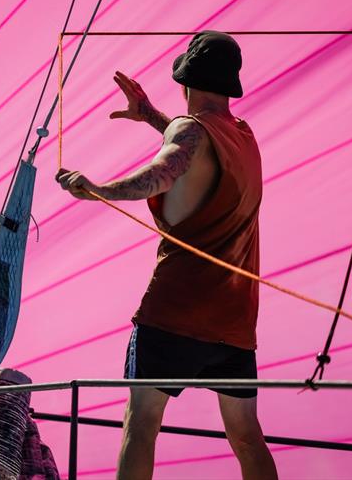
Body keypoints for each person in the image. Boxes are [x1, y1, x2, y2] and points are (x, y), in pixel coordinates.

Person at [55, 31, 277, 480]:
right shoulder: (244, 136)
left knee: (141, 425)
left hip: (175, 314)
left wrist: (100, 190)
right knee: (247, 436)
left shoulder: (190, 129)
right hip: (234, 323)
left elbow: (166, 169)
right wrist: (152, 116)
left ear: (187, 81)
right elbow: (197, 149)